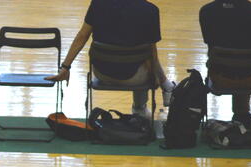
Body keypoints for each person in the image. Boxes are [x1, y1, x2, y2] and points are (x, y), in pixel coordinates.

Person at [46, 0, 176, 117]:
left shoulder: (97, 4)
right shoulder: (150, 10)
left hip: (102, 74)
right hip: (135, 79)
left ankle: (167, 87)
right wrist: (160, 79)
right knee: (146, 57)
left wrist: (65, 67)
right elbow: (152, 54)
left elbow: (82, 36)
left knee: (143, 57)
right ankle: (141, 107)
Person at [199, 0, 251, 126]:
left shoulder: (206, 11)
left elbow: (209, 43)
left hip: (219, 77)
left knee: (229, 60)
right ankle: (242, 114)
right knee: (244, 61)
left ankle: (240, 117)